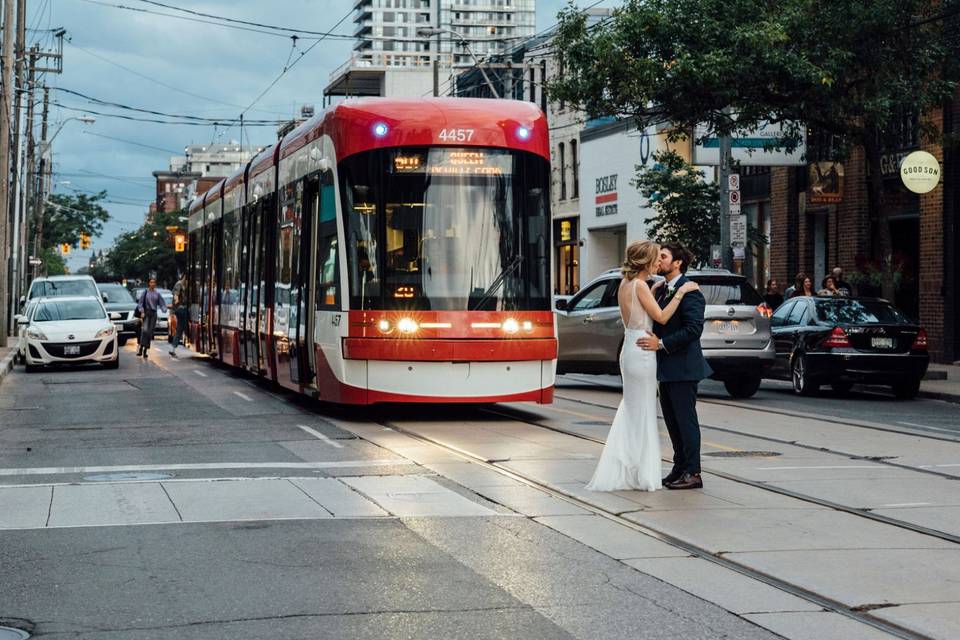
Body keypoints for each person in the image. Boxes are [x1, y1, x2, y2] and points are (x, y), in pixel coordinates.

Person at [586, 240, 700, 492]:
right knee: (643, 412)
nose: (658, 261)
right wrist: (680, 292)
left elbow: (640, 306)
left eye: (663, 257)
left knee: (633, 409)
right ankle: (640, 472)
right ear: (646, 261)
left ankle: (630, 467)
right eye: (655, 257)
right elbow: (659, 316)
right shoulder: (641, 285)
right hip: (644, 349)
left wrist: (660, 286)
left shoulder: (626, 284)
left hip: (630, 348)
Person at [637, 243, 712, 490]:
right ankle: (679, 467)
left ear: (677, 262)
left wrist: (662, 344)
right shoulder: (663, 289)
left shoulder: (690, 292)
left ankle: (693, 472)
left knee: (685, 421)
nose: (659, 261)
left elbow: (693, 329)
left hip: (683, 367)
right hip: (667, 367)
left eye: (664, 257)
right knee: (672, 421)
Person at [136, 278, 167, 358]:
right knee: (145, 330)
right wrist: (142, 312)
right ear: (149, 283)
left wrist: (165, 309)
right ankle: (141, 348)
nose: (153, 284)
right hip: (146, 313)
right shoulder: (145, 292)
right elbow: (140, 303)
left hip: (153, 314)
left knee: (149, 333)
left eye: (154, 282)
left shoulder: (157, 294)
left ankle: (145, 350)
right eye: (151, 282)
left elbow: (162, 304)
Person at [169, 273, 189, 358]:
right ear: (184, 277)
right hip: (180, 309)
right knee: (182, 327)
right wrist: (176, 301)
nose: (187, 281)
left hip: (182, 309)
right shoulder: (179, 284)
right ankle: (173, 348)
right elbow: (175, 295)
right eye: (186, 279)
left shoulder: (185, 285)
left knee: (180, 329)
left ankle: (173, 349)